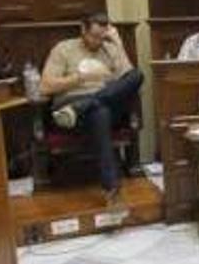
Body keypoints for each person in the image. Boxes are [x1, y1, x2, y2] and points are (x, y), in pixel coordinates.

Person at [40, 12, 143, 205]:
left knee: (137, 76)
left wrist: (118, 44)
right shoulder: (63, 49)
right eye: (93, 36)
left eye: (101, 37)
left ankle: (85, 105)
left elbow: (129, 79)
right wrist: (80, 77)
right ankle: (112, 190)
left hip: (98, 105)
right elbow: (45, 86)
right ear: (83, 29)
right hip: (69, 109)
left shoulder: (110, 49)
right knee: (100, 112)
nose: (97, 42)